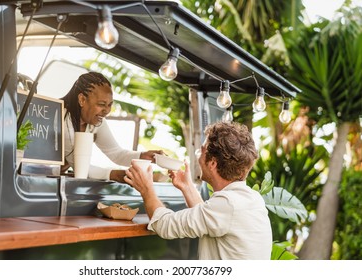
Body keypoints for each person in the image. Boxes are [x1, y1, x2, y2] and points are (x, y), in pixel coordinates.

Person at [125, 121, 272, 259]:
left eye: (201, 151)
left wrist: (146, 188)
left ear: (213, 163)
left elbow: (164, 225)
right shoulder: (251, 199)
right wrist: (187, 187)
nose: (198, 157)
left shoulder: (228, 204)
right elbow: (209, 219)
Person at [61, 72, 162, 182]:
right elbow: (80, 168)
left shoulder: (95, 121)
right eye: (101, 104)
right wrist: (118, 175)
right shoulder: (62, 118)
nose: (107, 111)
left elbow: (115, 153)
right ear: (82, 100)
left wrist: (143, 156)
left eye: (110, 105)